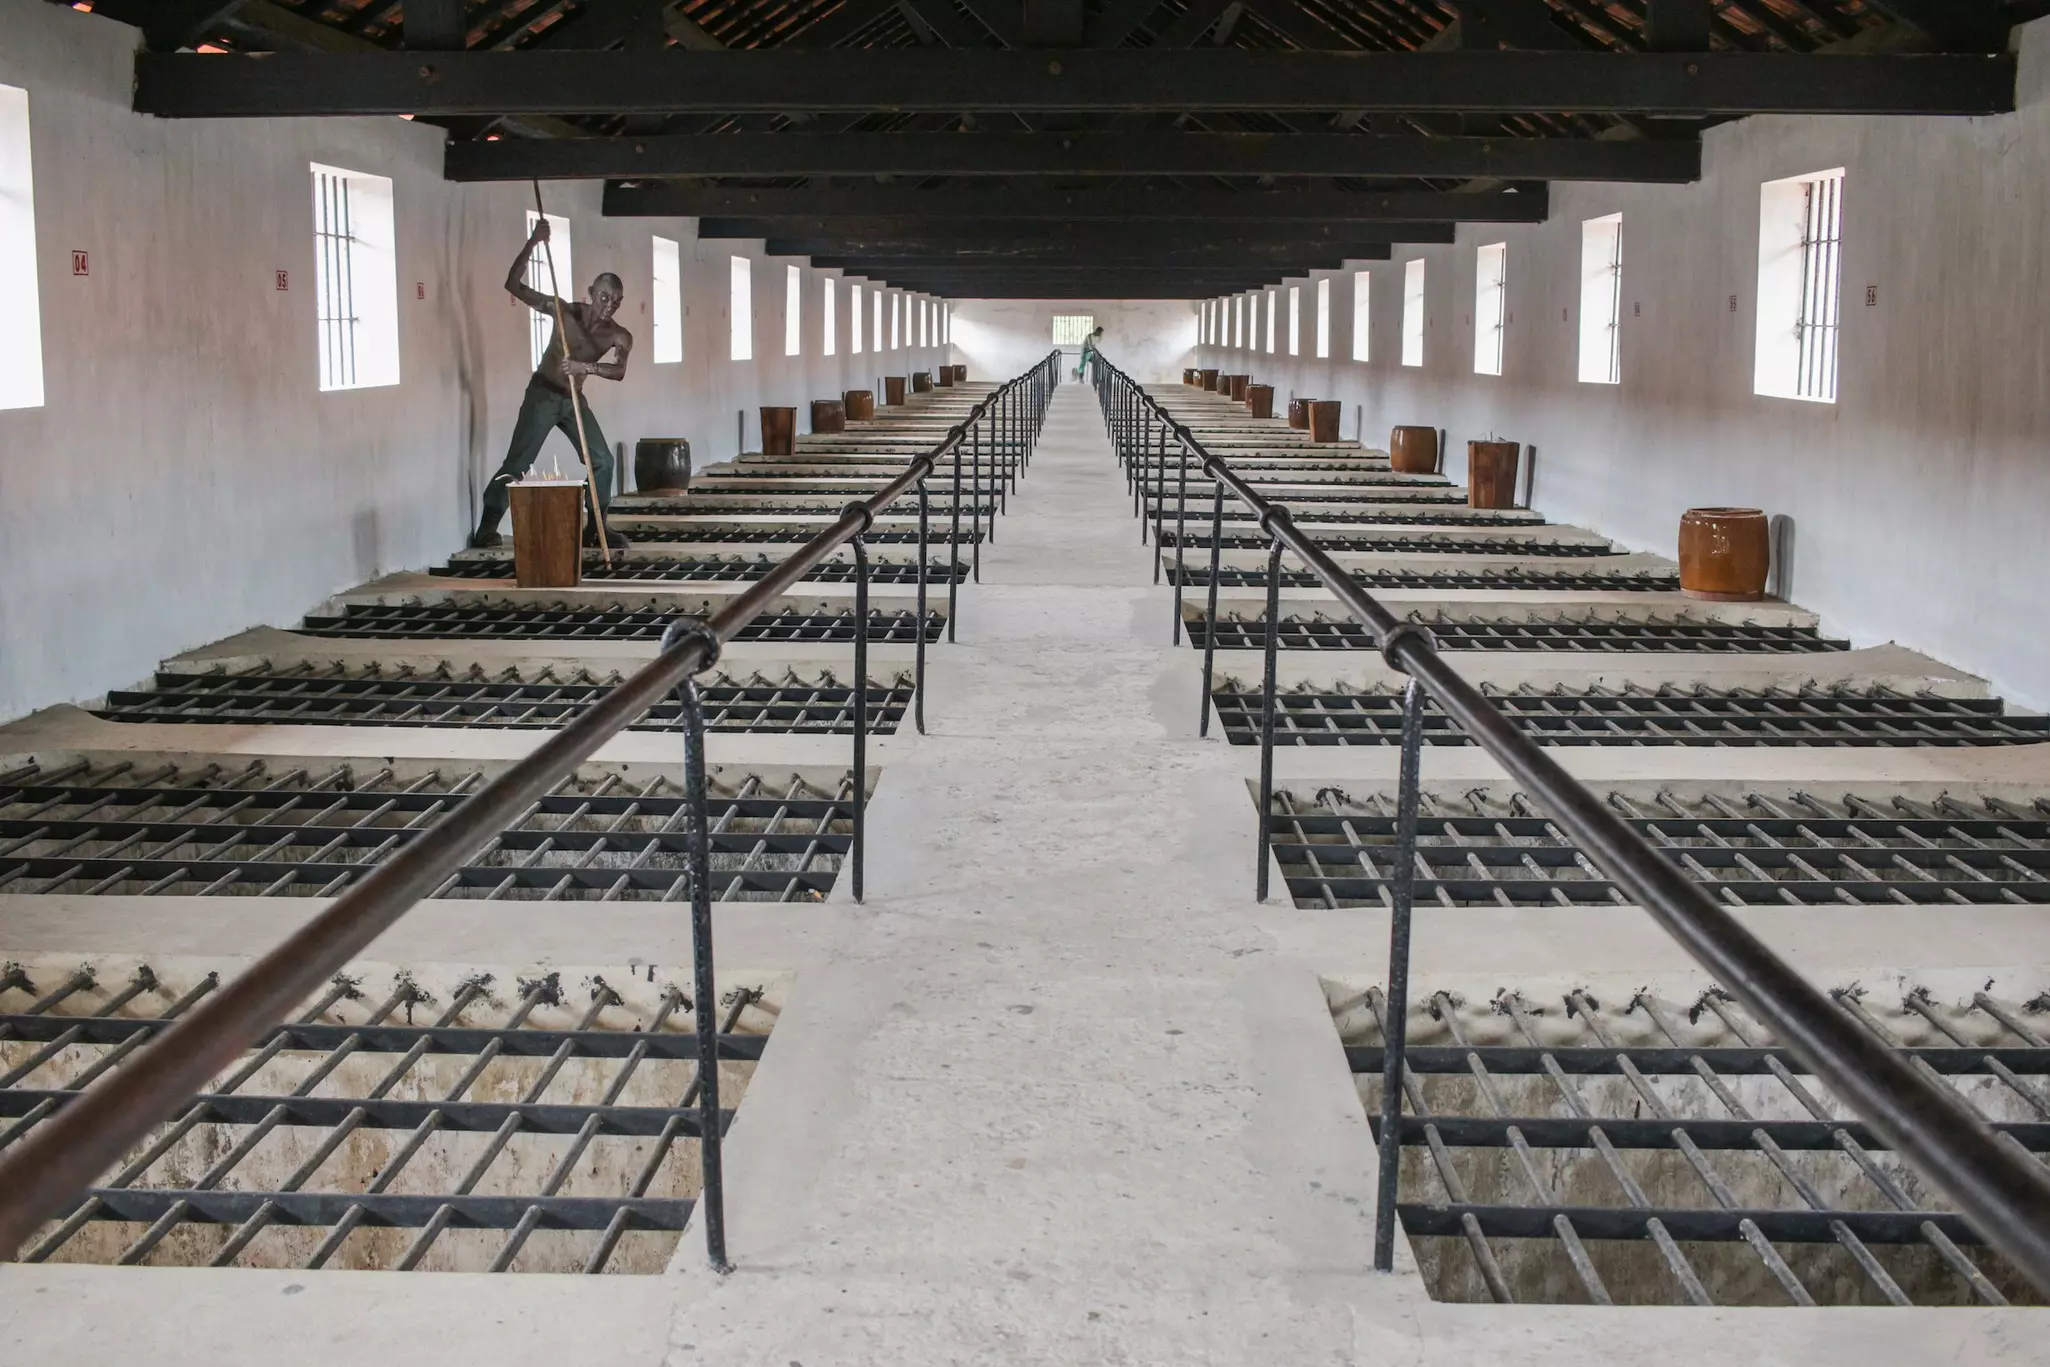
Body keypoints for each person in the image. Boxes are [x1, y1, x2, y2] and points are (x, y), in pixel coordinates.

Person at [471, 219, 634, 550]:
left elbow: (618, 372)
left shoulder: (618, 334)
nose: (609, 306)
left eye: (616, 301)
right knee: (518, 462)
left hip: (575, 399)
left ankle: (596, 527)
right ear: (591, 293)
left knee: (602, 459)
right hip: (543, 395)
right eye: (604, 297)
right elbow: (513, 284)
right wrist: (533, 241)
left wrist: (583, 367)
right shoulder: (564, 311)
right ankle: (487, 525)